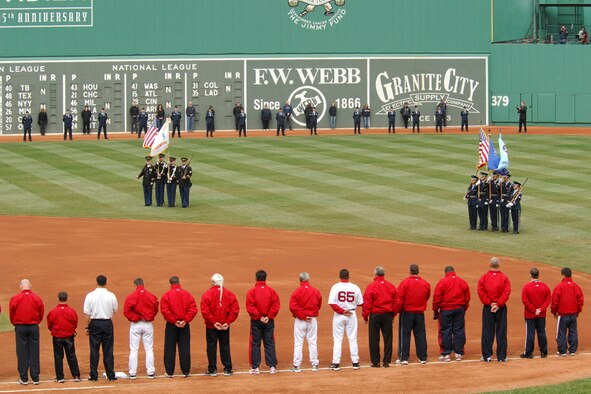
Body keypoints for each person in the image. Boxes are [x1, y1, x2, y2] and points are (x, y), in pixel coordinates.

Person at [200, 273, 240, 377]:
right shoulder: (230, 294)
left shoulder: (207, 294)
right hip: (224, 326)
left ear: (213, 282)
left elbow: (205, 311)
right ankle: (227, 368)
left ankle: (212, 369)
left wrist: (214, 322)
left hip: (211, 326)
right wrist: (227, 322)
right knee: (225, 346)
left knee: (211, 346)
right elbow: (235, 310)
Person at [160, 276, 198, 377]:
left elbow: (165, 310)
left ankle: (169, 372)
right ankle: (186, 371)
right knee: (184, 347)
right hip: (184, 325)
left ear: (170, 284)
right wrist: (185, 320)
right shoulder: (187, 294)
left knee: (169, 347)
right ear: (179, 282)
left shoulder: (166, 295)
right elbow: (193, 309)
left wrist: (174, 321)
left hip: (171, 325)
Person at [9, 279, 44, 385]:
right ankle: (35, 378)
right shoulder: (37, 298)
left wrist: (16, 323)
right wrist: (36, 322)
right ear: (30, 286)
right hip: (33, 327)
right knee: (34, 351)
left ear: (20, 286)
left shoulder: (15, 298)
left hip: (20, 327)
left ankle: (24, 378)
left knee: (21, 352)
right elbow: (41, 312)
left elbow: (12, 312)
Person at [83, 275, 118, 381]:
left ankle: (93, 375)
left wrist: (86, 327)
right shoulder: (111, 295)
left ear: (96, 282)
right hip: (107, 323)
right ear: (106, 283)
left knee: (94, 349)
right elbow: (115, 310)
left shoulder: (90, 295)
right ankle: (110, 375)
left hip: (95, 323)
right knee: (108, 349)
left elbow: (87, 314)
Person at [394, 264, 430, 365]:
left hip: (407, 312)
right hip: (419, 312)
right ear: (418, 272)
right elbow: (427, 296)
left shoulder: (405, 283)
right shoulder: (425, 283)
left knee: (405, 334)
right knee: (420, 334)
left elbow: (399, 298)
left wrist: (398, 310)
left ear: (410, 271)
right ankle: (423, 357)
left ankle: (404, 357)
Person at [432, 266, 470, 362]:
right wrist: (464, 308)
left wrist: (435, 311)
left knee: (445, 330)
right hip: (459, 309)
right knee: (459, 330)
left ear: (446, 272)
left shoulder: (442, 282)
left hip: (446, 309)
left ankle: (446, 354)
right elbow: (467, 297)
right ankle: (458, 353)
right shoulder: (462, 282)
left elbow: (437, 298)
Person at [246, 270, 281, 375]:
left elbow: (250, 306)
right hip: (269, 321)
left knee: (255, 343)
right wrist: (268, 316)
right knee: (269, 342)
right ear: (265, 278)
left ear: (256, 278)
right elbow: (276, 305)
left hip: (256, 321)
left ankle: (255, 367)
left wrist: (259, 316)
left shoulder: (252, 291)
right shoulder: (271, 291)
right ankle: (272, 367)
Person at [328, 268, 363, 371]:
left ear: (340, 277)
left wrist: (342, 311)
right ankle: (355, 363)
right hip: (351, 314)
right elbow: (361, 303)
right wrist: (349, 309)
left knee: (338, 339)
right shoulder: (355, 287)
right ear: (348, 276)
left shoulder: (335, 287)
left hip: (339, 315)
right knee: (352, 338)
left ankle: (336, 363)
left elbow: (332, 303)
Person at [123, 278, 159, 379]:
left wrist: (136, 318)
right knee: (149, 348)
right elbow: (155, 309)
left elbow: (126, 311)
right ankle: (151, 372)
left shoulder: (131, 296)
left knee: (134, 349)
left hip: (136, 325)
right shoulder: (152, 296)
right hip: (148, 324)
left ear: (135, 285)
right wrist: (148, 317)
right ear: (143, 285)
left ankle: (132, 373)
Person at [362, 266, 397, 368]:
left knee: (374, 338)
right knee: (388, 338)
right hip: (387, 315)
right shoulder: (391, 286)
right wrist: (393, 314)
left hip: (375, 315)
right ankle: (386, 361)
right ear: (384, 274)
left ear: (375, 274)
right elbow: (396, 302)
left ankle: (375, 361)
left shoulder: (371, 286)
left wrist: (365, 316)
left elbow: (367, 302)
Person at [477, 257, 511, 362]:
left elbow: (481, 292)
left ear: (490, 264)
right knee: (501, 331)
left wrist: (490, 303)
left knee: (487, 331)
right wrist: (498, 304)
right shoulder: (504, 278)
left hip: (488, 308)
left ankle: (487, 356)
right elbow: (507, 292)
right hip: (501, 308)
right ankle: (502, 356)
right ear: (499, 265)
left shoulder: (484, 278)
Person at [289, 272, 322, 373]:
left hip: (300, 320)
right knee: (312, 341)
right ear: (308, 279)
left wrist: (303, 316)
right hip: (312, 320)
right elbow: (319, 304)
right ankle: (315, 364)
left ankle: (296, 365)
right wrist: (310, 314)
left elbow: (292, 307)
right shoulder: (315, 291)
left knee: (298, 342)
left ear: (300, 280)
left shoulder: (296, 292)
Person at [47, 291, 81, 383]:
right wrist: (70, 331)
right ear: (66, 298)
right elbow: (75, 323)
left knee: (58, 356)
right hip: (69, 337)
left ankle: (60, 377)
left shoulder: (53, 312)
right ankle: (76, 375)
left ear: (58, 299)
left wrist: (55, 331)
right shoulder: (72, 311)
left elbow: (50, 325)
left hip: (57, 337)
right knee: (71, 355)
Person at [551, 267, 584, 357]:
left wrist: (554, 312)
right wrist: (578, 311)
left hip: (562, 314)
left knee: (561, 332)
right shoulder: (576, 286)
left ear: (563, 275)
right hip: (573, 314)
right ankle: (572, 350)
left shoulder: (559, 286)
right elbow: (580, 300)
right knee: (573, 331)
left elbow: (554, 301)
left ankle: (562, 351)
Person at [520, 268, 551, 359]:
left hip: (530, 315)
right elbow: (548, 299)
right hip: (541, 315)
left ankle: (528, 353)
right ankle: (544, 352)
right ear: (538, 275)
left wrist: (534, 310)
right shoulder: (545, 287)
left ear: (530, 275)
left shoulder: (526, 287)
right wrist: (540, 309)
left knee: (530, 333)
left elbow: (525, 301)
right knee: (542, 332)